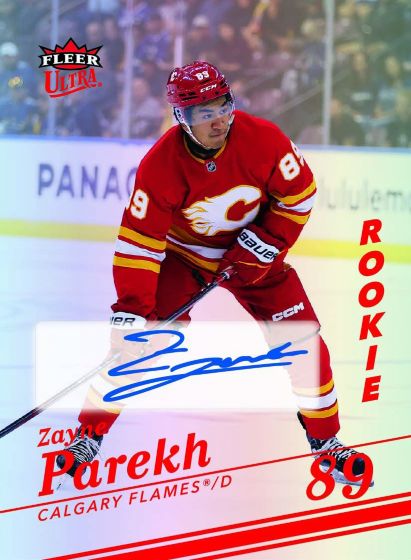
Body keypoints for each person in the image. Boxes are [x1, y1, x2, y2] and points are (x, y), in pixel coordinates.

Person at [57, 61, 366, 485]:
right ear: (182, 118)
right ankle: (89, 434)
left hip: (256, 260)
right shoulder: (160, 165)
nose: (219, 119)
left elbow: (300, 195)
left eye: (223, 105)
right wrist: (133, 312)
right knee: (139, 345)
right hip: (187, 259)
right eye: (205, 112)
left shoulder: (265, 140)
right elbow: (139, 245)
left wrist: (265, 243)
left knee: (304, 343)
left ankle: (326, 441)